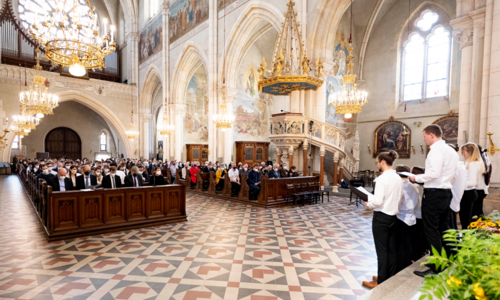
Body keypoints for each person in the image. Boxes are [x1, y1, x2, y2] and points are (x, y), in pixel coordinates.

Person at [409, 125, 459, 277]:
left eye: (424, 135)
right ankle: (444, 261)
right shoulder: (451, 151)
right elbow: (454, 174)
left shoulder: (436, 151)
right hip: (446, 192)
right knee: (442, 228)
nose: (423, 139)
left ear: (431, 135)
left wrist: (415, 178)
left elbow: (434, 174)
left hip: (434, 194)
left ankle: (436, 266)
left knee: (431, 230)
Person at [362, 151, 403, 289]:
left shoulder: (381, 179)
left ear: (383, 162)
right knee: (391, 249)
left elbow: (378, 201)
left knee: (382, 251)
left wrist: (369, 204)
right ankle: (388, 275)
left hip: (381, 218)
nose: (377, 165)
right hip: (393, 217)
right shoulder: (398, 177)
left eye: (377, 162)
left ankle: (381, 280)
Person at [394, 164, 419, 273]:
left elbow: (398, 203)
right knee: (407, 243)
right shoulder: (414, 186)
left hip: (401, 217)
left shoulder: (400, 186)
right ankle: (407, 264)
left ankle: (400, 267)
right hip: (411, 217)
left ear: (398, 174)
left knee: (400, 244)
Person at [459, 143, 484, 229]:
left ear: (470, 152)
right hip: (469, 193)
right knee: (466, 218)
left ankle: (467, 239)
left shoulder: (473, 164)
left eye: (463, 151)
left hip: (468, 193)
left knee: (465, 219)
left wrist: (459, 185)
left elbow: (472, 182)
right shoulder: (474, 163)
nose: (462, 154)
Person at [410, 166, 428, 262]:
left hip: (417, 214)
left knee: (416, 237)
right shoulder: (423, 186)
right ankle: (421, 253)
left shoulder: (415, 187)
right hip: (422, 214)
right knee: (420, 236)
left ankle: (415, 256)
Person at [448, 144, 466, 230]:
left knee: (450, 226)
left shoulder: (454, 166)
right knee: (452, 225)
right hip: (456, 197)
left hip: (451, 198)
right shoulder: (461, 165)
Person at [473, 145, 491, 218]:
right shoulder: (483, 161)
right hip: (482, 189)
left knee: (475, 212)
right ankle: (480, 226)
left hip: (477, 189)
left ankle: (476, 227)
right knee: (478, 210)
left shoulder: (477, 162)